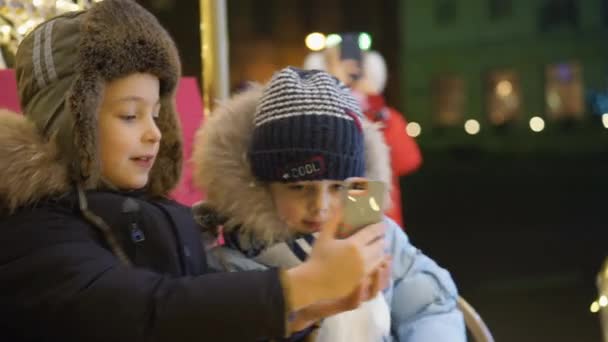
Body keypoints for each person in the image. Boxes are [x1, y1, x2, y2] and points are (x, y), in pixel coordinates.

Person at [0, 1, 389, 341]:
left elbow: (202, 323)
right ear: (71, 119)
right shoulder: (31, 227)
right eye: (130, 115)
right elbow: (143, 312)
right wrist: (300, 287)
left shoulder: (156, 213)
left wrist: (301, 316)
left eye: (156, 114)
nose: (154, 133)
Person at [193, 67, 466, 341]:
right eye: (299, 187)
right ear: (263, 187)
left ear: (360, 183)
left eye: (338, 187)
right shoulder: (233, 263)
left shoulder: (377, 237)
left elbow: (430, 307)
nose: (321, 206)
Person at [303, 39, 422, 228]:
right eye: (339, 65)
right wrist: (333, 91)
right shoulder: (310, 118)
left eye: (359, 66)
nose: (351, 73)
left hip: (382, 226)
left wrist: (374, 108)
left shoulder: (386, 116)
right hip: (327, 222)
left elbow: (408, 162)